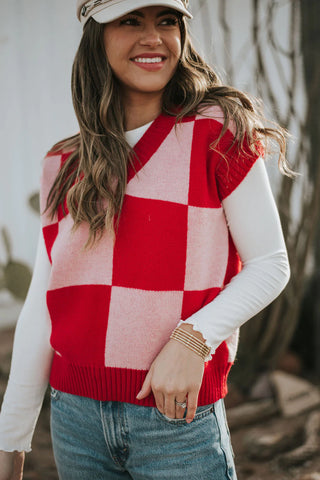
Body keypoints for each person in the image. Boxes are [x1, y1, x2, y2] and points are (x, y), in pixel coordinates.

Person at [0, 0, 291, 478]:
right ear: (98, 37)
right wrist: (12, 435)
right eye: (130, 21)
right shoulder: (63, 165)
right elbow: (41, 305)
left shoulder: (217, 132)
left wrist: (192, 340)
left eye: (167, 21)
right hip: (74, 420)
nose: (152, 36)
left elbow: (271, 264)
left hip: (176, 417)